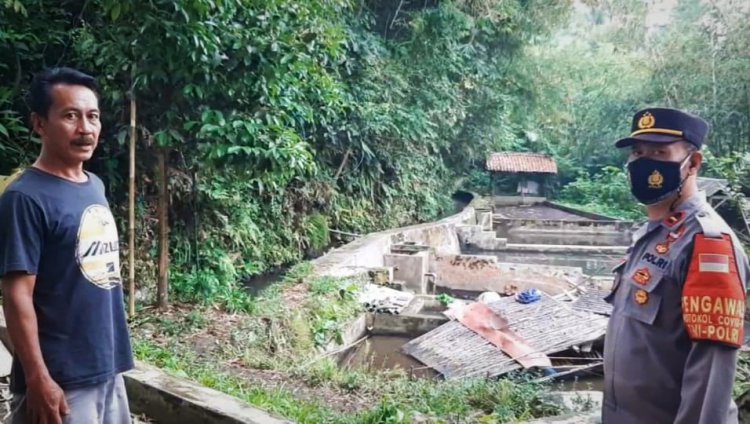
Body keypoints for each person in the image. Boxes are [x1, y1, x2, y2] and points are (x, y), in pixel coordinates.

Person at [0, 67, 133, 423]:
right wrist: (38, 378)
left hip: (107, 364)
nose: (86, 128)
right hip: (61, 377)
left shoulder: (94, 185)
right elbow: (16, 295)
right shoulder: (24, 198)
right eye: (70, 116)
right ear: (39, 123)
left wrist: (112, 362)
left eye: (93, 116)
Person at [602, 107, 749, 423]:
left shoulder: (709, 245)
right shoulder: (653, 236)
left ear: (692, 163)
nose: (644, 162)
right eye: (638, 152)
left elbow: (709, 379)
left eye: (660, 152)